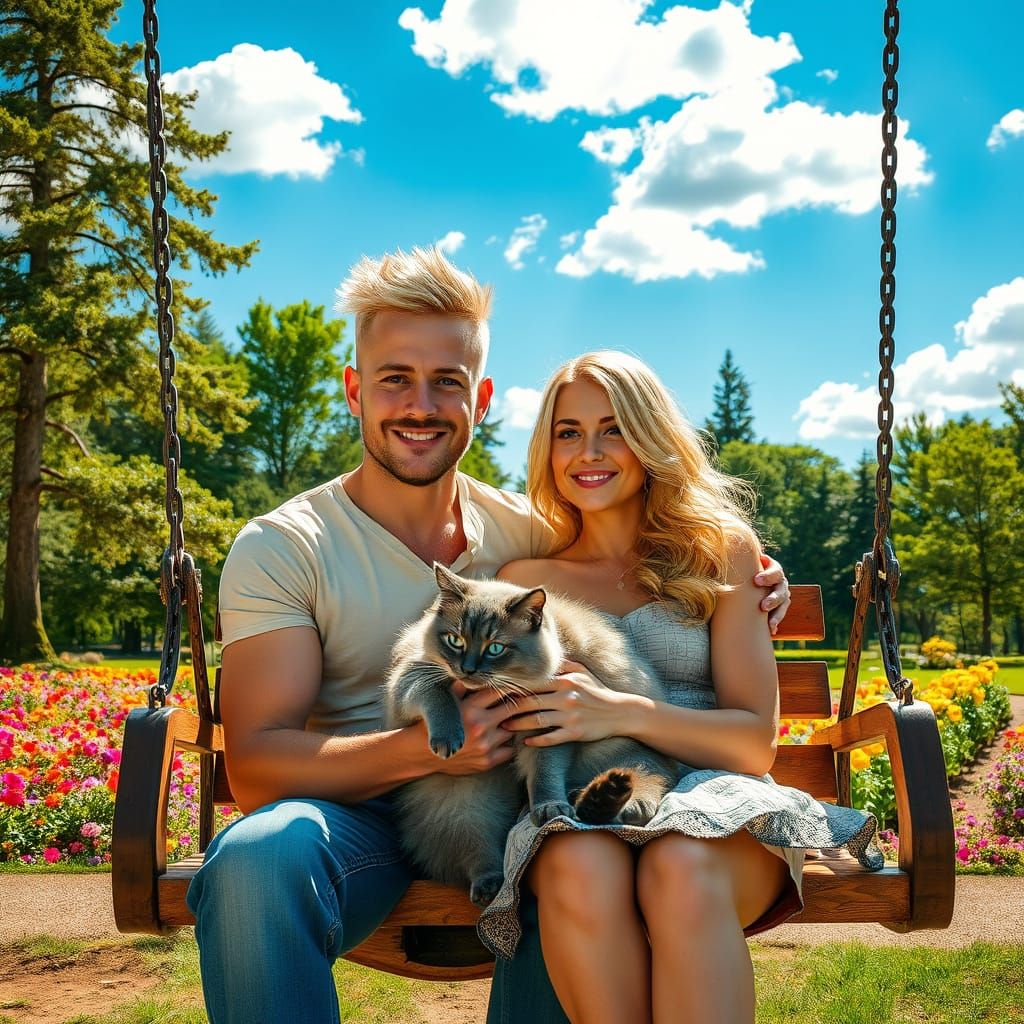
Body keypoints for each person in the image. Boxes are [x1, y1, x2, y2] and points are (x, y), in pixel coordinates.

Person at [185, 247, 793, 1024]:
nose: (419, 405)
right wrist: (429, 747)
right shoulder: (286, 545)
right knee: (257, 857)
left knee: (564, 845)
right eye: (394, 378)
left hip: (524, 800)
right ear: (353, 390)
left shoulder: (532, 535)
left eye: (447, 381)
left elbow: (638, 547)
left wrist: (756, 574)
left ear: (483, 398)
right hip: (361, 813)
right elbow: (261, 767)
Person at [475, 351, 882, 1024]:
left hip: (716, 793)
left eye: (613, 429)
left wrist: (620, 711)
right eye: (568, 432)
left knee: (681, 870)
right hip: (592, 794)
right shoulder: (526, 576)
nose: (589, 452)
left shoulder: (721, 552)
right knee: (578, 863)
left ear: (650, 437)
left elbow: (754, 743)